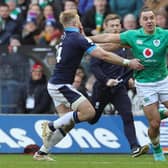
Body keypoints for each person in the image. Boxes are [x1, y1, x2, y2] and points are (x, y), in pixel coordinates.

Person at [33, 9, 143, 161]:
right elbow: (103, 54)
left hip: (56, 84)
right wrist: (127, 62)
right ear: (75, 22)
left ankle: (42, 152)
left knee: (68, 122)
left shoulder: (67, 37)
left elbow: (106, 48)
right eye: (78, 19)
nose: (80, 22)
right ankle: (50, 126)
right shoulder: (77, 38)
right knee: (89, 113)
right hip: (61, 85)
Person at [90, 7, 168, 161]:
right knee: (154, 124)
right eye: (145, 19)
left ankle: (160, 113)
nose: (149, 21)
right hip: (145, 84)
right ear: (140, 22)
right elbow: (107, 38)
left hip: (163, 80)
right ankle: (157, 148)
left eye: (151, 18)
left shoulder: (164, 34)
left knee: (156, 118)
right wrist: (84, 38)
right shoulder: (132, 35)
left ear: (156, 20)